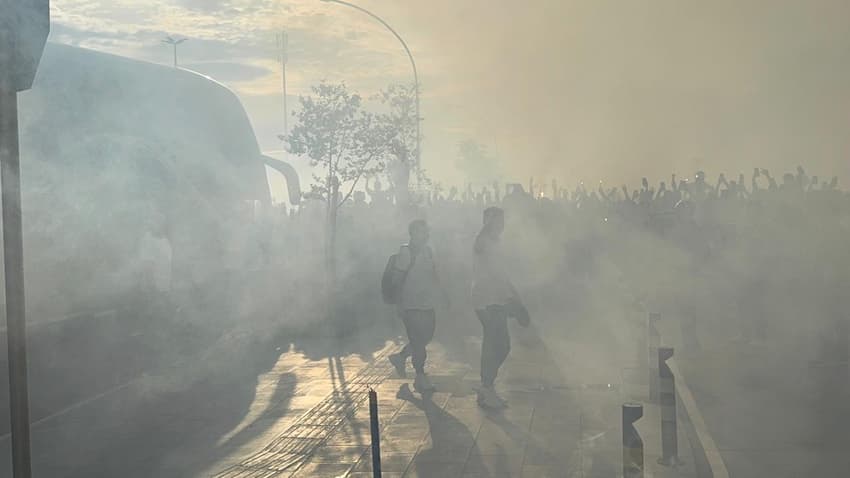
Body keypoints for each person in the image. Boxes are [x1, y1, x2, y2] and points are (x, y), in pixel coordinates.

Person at [471, 207, 523, 408]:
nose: (502, 225)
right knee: (495, 343)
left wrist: (515, 297)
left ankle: (487, 385)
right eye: (497, 221)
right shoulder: (482, 242)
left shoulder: (496, 242)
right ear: (488, 222)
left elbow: (502, 274)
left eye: (503, 221)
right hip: (486, 300)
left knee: (501, 345)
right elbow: (493, 271)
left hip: (497, 299)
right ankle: (486, 387)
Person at [387, 220, 442, 393]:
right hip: (410, 304)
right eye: (421, 232)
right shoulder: (406, 252)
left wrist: (442, 294)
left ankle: (400, 357)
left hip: (427, 303)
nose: (425, 235)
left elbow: (433, 274)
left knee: (426, 338)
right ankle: (420, 376)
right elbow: (396, 280)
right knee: (419, 342)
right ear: (412, 234)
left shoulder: (428, 250)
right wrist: (399, 303)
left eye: (426, 232)